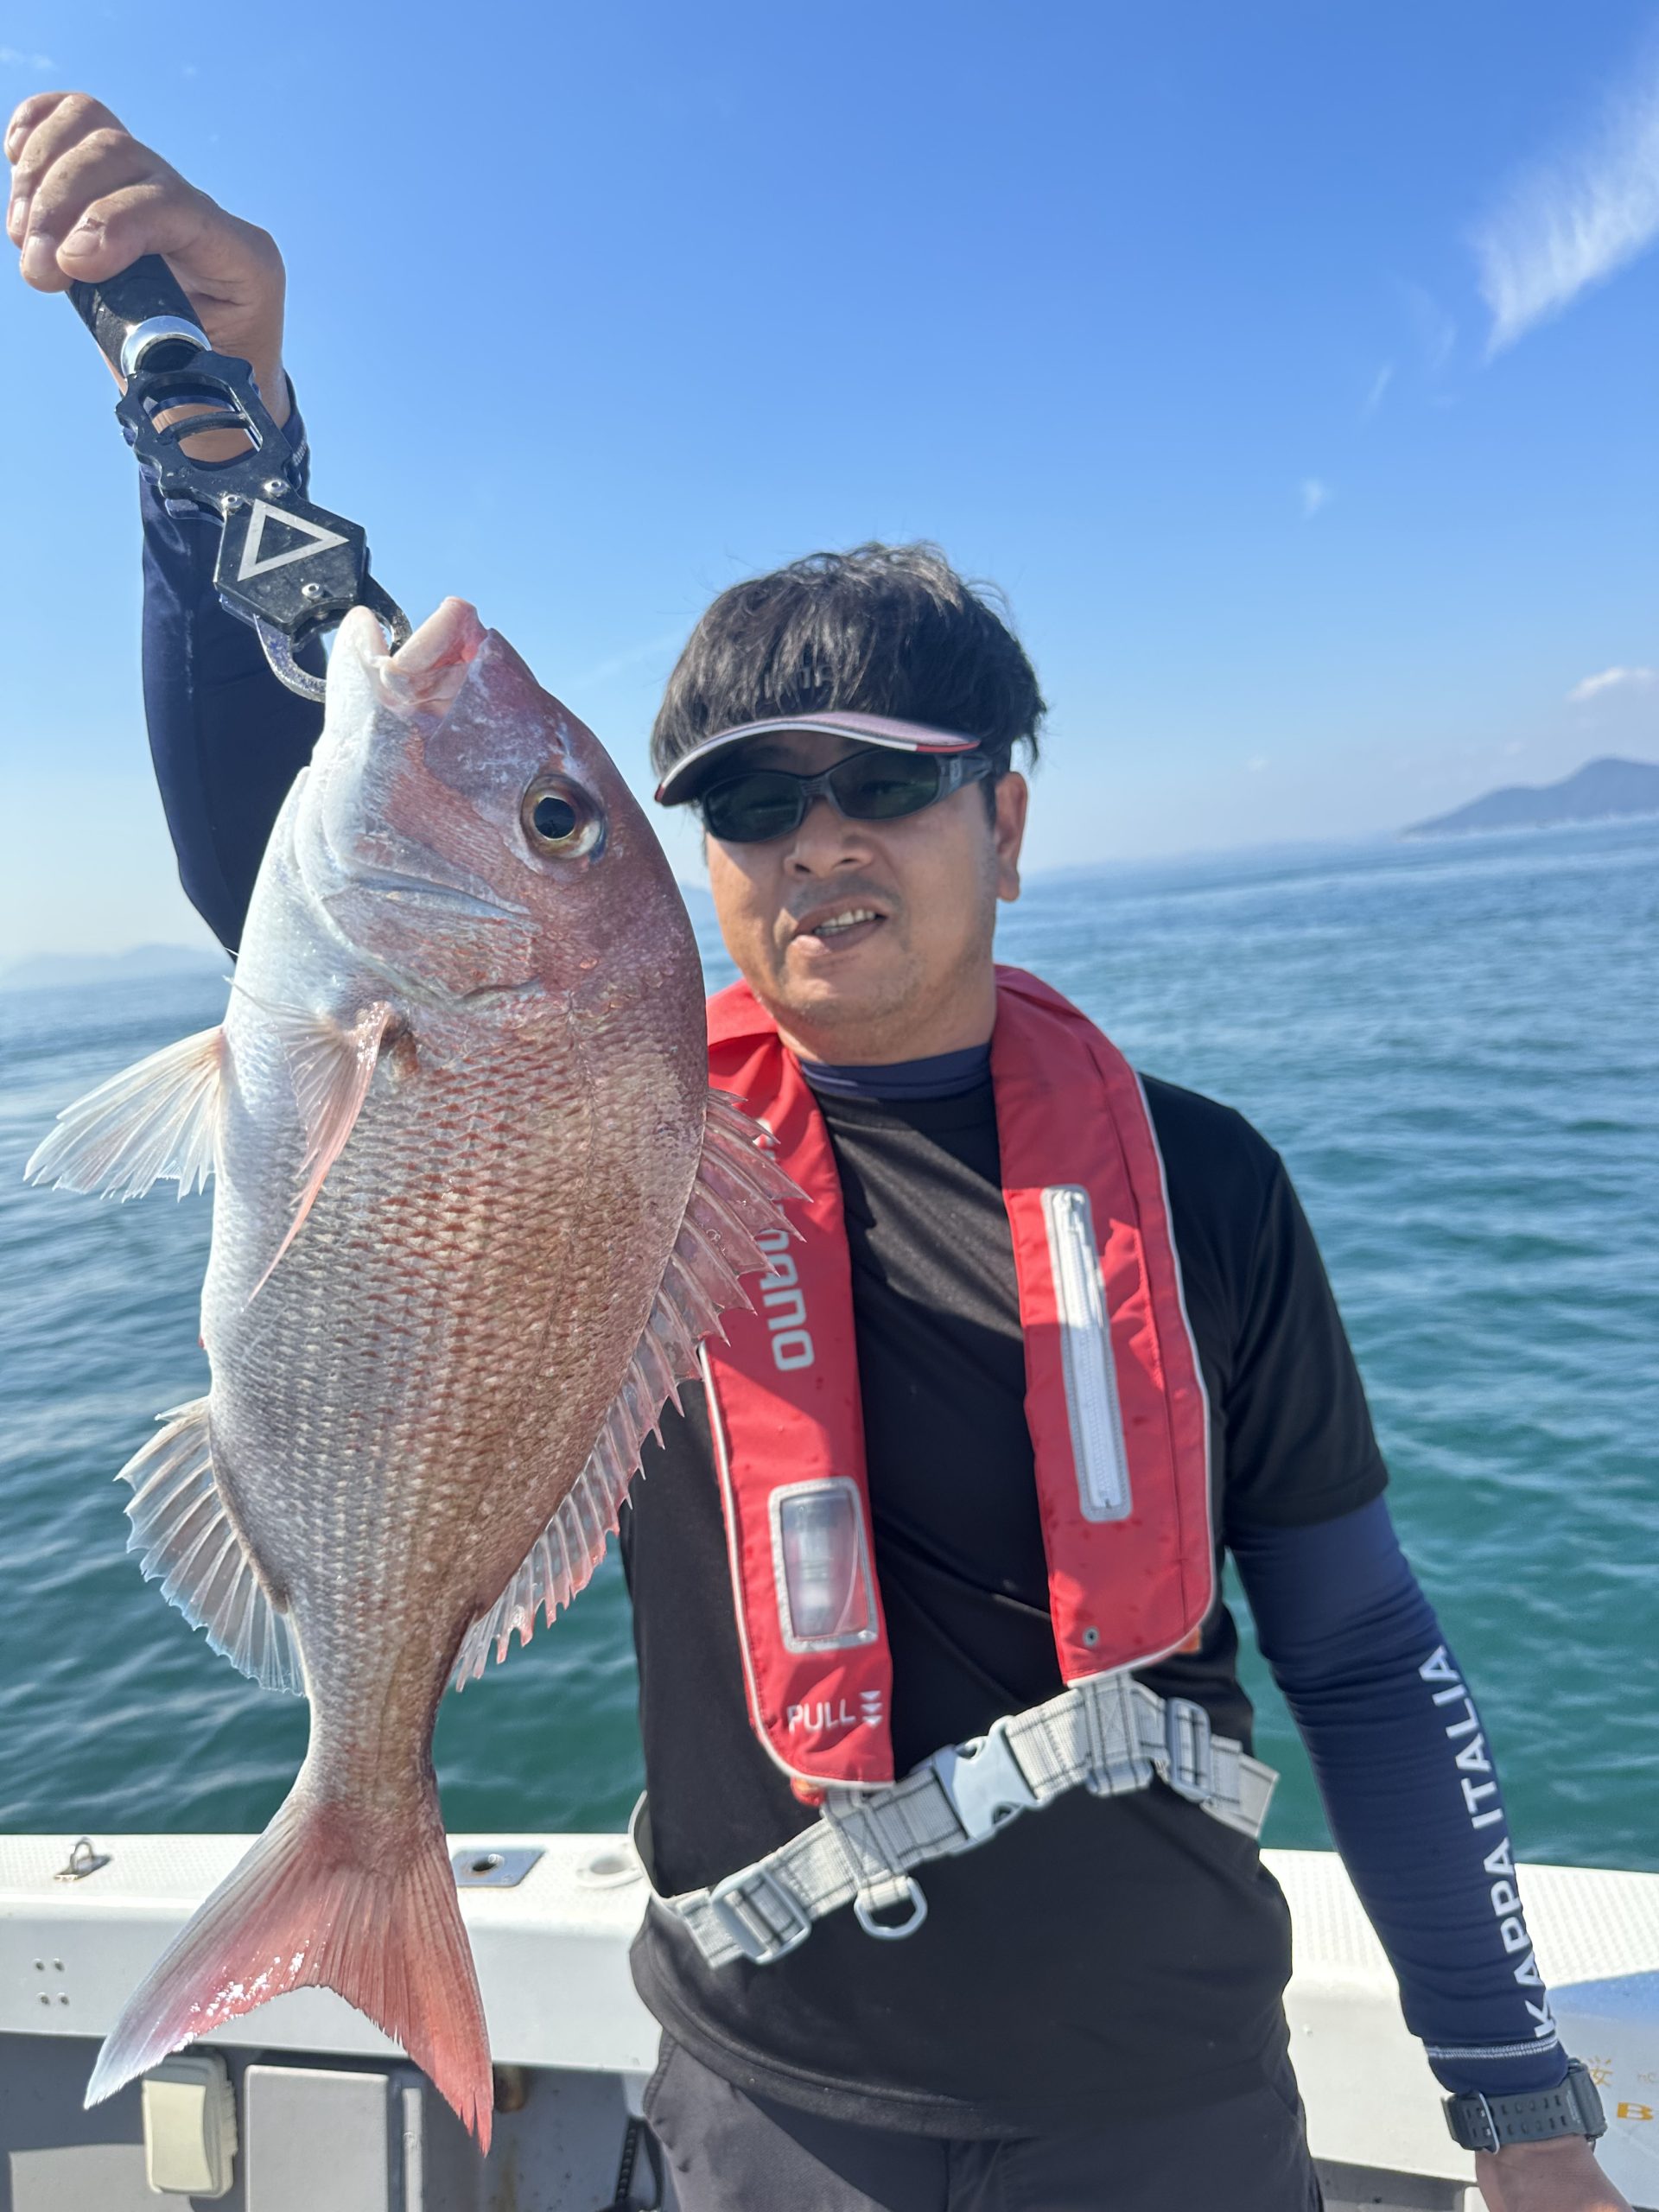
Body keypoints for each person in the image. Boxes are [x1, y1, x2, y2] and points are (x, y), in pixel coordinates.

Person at [7, 92, 1633, 2212]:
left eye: (892, 780)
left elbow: (1361, 1650)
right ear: (705, 861)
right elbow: (301, 845)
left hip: (1168, 2107)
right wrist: (223, 433)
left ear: (1008, 821)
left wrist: (1517, 2097)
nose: (820, 841)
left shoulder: (1203, 1185)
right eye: (755, 801)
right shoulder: (620, 1136)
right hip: (768, 2110)